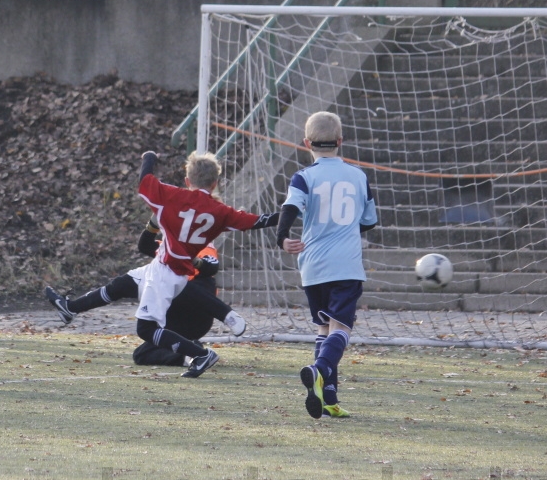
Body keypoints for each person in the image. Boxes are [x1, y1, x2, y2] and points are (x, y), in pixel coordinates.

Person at [134, 150, 275, 378]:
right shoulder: (215, 214)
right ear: (215, 183)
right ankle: (197, 348)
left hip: (178, 289)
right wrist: (288, 213)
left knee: (152, 317)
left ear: (187, 181)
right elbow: (256, 221)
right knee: (145, 342)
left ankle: (213, 335)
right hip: (178, 293)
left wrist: (149, 158)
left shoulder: (176, 201)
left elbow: (145, 182)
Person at [276, 111, 378, 419]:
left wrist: (282, 237)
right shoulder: (358, 176)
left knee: (324, 328)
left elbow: (291, 207)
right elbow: (369, 222)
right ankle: (319, 370)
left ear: (307, 142)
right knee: (342, 328)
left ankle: (327, 397)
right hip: (345, 265)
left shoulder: (303, 177)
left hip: (313, 265)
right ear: (340, 142)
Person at [44, 220, 250, 367]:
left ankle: (228, 315)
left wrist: (191, 260)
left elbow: (210, 268)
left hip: (195, 315)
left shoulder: (203, 245)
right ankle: (191, 355)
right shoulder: (169, 250)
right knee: (141, 352)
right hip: (173, 314)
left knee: (179, 282)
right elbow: (144, 245)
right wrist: (152, 223)